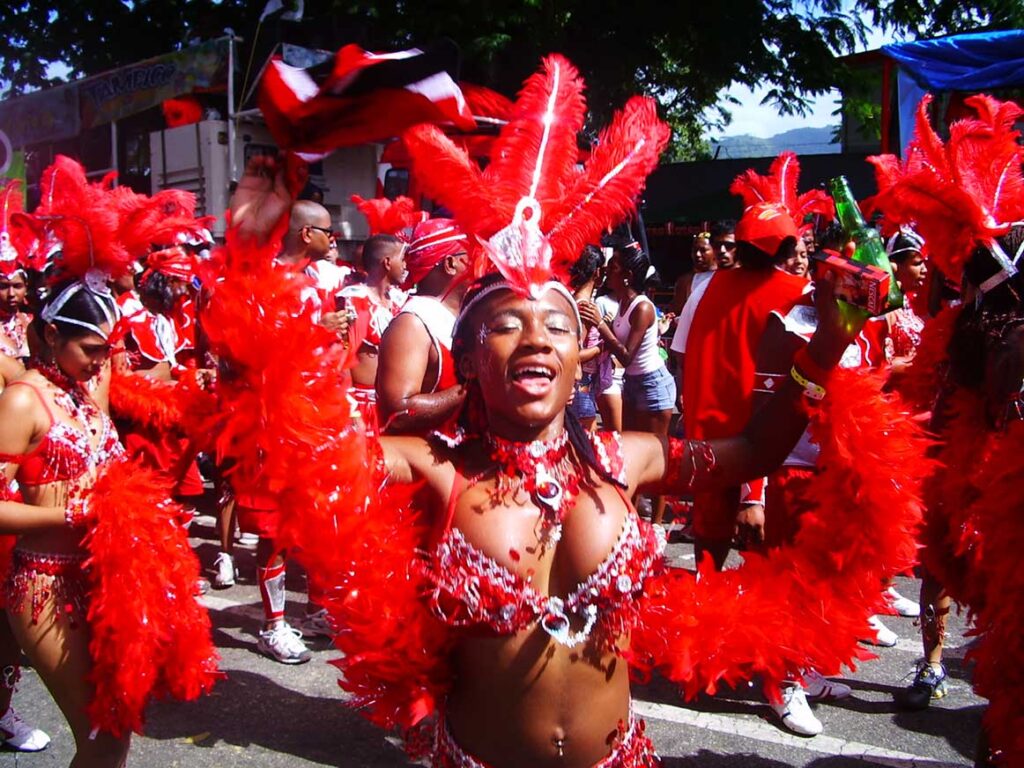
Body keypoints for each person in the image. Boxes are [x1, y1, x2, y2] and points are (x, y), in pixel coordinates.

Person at [586, 239, 676, 523]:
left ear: (626, 275)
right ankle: (632, 519)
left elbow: (625, 356)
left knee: (656, 456)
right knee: (632, 454)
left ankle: (657, 525)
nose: (607, 271)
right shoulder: (622, 303)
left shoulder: (642, 308)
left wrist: (600, 324)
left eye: (612, 267)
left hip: (653, 385)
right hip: (633, 385)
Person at [375, 218, 470, 435]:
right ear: (450, 264)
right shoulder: (412, 324)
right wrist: (472, 390)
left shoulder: (465, 314)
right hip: (424, 454)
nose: (480, 264)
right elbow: (398, 413)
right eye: (471, 256)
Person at [339, 233, 406, 426]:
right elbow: (341, 359)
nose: (405, 266)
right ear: (387, 263)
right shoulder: (354, 301)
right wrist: (352, 413)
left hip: (392, 409)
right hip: (363, 410)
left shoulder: (400, 301)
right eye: (402, 259)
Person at [567, 246, 606, 431]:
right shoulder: (584, 307)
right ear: (597, 272)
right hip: (581, 383)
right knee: (589, 438)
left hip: (582, 383)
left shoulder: (573, 300)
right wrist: (601, 348)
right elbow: (575, 354)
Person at [669, 229, 717, 314]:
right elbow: (676, 311)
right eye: (695, 251)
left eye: (703, 250)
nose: (697, 254)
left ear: (715, 251)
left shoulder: (725, 277)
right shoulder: (685, 281)